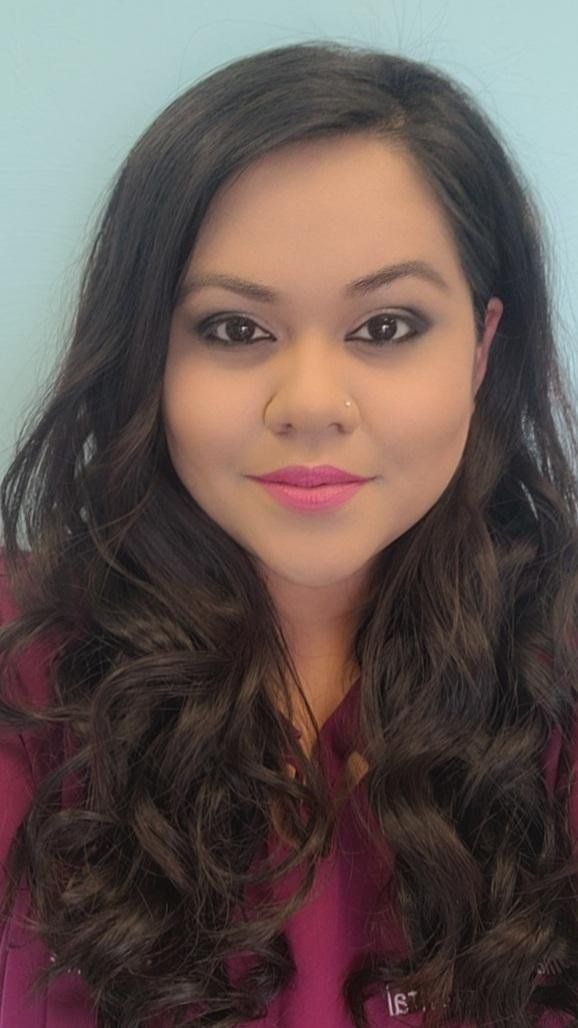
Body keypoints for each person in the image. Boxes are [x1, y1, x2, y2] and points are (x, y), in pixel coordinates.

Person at [1, 38, 577, 1028]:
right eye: (234, 328)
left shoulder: (557, 669)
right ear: (148, 354)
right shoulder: (24, 671)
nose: (309, 405)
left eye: (385, 327)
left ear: (481, 348)